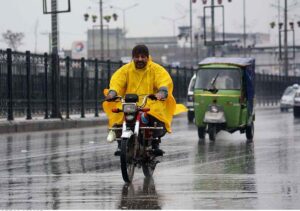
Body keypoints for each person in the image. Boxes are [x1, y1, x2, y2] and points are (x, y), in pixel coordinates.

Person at [103, 44, 177, 156]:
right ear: (132, 58)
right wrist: (112, 93)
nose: (140, 59)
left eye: (143, 56)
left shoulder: (156, 69)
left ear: (147, 57)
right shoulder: (125, 70)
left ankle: (154, 143)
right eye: (137, 57)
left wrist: (161, 92)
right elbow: (117, 82)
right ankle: (120, 143)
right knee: (118, 115)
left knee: (155, 117)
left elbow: (163, 81)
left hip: (150, 102)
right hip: (129, 103)